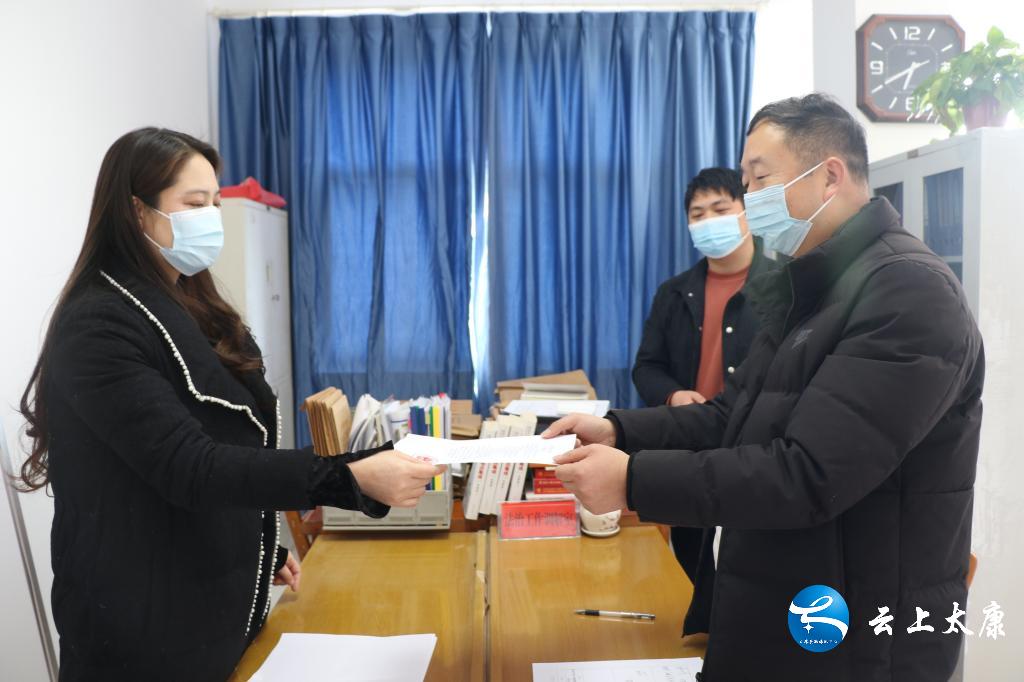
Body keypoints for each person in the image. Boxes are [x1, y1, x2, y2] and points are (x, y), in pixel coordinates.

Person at [544, 94, 983, 681]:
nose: (751, 200)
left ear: (830, 176)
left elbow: (808, 474)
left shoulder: (908, 292)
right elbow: (733, 415)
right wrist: (618, 430)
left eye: (760, 179)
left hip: (853, 639)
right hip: (782, 601)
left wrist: (633, 480)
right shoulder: (815, 285)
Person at [17, 128, 445, 682]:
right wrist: (349, 478)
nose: (212, 218)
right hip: (142, 630)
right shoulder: (99, 322)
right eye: (194, 203)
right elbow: (189, 466)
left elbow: (231, 441)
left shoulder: (186, 299)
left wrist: (261, 548)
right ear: (136, 210)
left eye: (215, 202)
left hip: (208, 599)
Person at [632, 167, 778, 637]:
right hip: (687, 452)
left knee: (751, 577)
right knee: (691, 569)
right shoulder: (674, 293)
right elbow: (646, 367)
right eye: (698, 214)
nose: (709, 221)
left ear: (746, 212)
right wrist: (674, 395)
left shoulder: (783, 286)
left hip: (754, 456)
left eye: (720, 209)